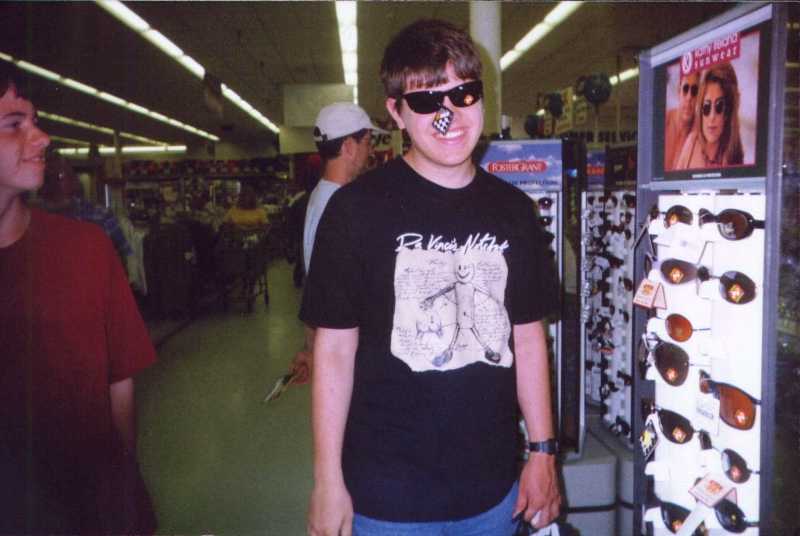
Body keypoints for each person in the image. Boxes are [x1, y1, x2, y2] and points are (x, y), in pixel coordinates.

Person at [301, 19, 561, 536]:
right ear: (396, 112)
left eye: (463, 94)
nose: (450, 115)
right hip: (386, 496)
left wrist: (543, 451)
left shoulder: (514, 211)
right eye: (426, 101)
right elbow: (333, 352)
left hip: (492, 490)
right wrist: (327, 480)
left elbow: (528, 338)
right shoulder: (355, 211)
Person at [0, 64, 157, 533]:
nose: (42, 138)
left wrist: (122, 482)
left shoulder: (87, 248)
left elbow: (120, 383)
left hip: (90, 508)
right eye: (13, 124)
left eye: (35, 121)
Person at [290, 102, 386, 384]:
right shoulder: (346, 205)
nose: (371, 151)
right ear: (348, 146)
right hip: (350, 349)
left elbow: (316, 283)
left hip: (333, 340)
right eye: (368, 142)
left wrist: (311, 348)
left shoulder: (318, 196)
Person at [38, 154, 133, 262]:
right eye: (47, 177)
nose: (53, 182)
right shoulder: (31, 220)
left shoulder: (100, 217)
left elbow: (121, 259)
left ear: (73, 180)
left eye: (60, 176)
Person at [674, 63, 744, 170]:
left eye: (719, 106)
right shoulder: (692, 142)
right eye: (706, 106)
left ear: (728, 112)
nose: (712, 117)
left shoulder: (734, 157)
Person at [663, 70, 699, 171]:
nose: (689, 97)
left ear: (699, 97)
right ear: (679, 91)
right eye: (685, 89)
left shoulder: (700, 133)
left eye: (694, 91)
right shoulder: (665, 120)